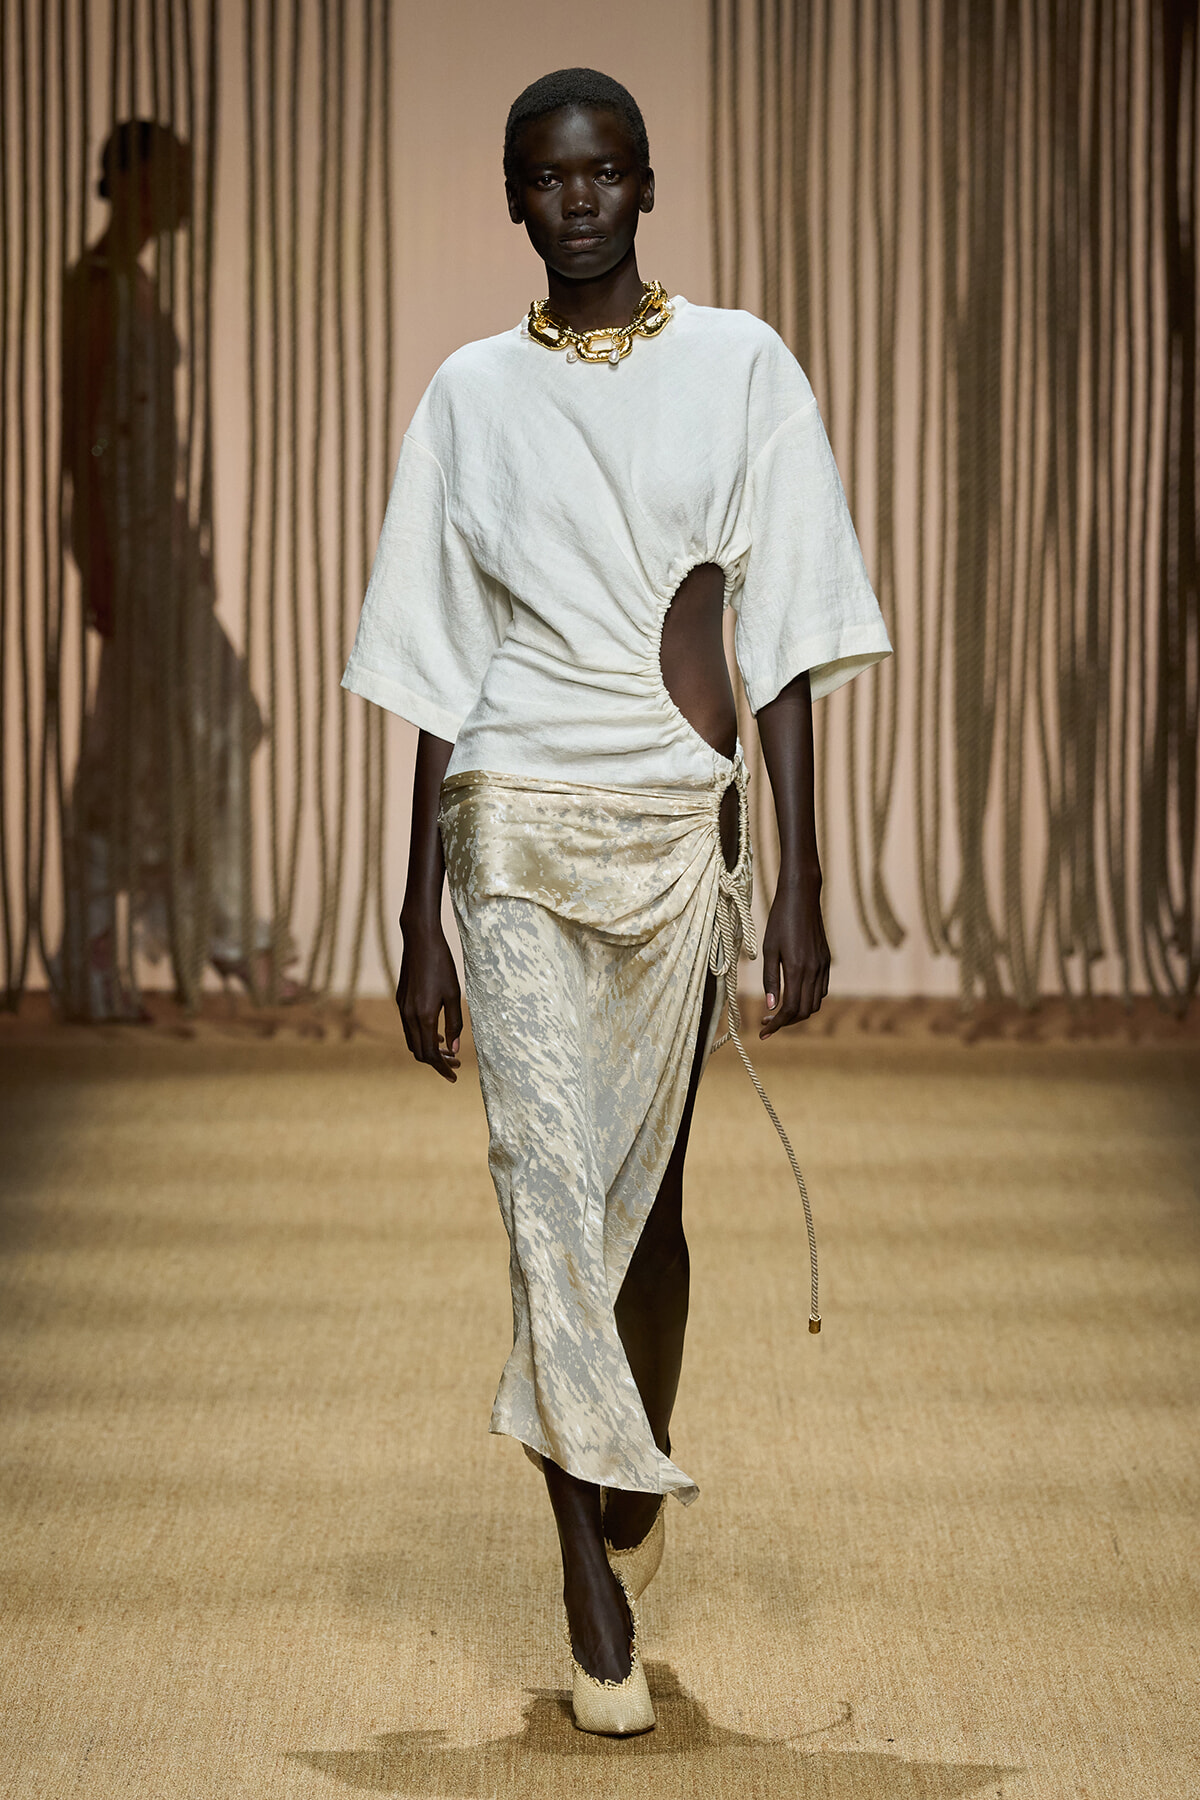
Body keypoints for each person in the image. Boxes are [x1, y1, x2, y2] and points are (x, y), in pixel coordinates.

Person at [343, 68, 891, 1736]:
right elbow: (435, 653)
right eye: (541, 176)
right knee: (542, 1178)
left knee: (642, 1204)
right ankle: (590, 1579)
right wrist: (415, 903)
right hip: (507, 812)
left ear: (645, 183)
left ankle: (619, 1433)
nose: (573, 199)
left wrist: (802, 882)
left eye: (599, 172)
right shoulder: (467, 394)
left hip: (674, 825)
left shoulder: (742, 366)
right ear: (513, 199)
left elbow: (783, 632)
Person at [60, 120, 282, 1019]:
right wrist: (99, 554)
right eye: (181, 174)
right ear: (143, 179)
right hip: (131, 540)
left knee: (205, 725)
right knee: (145, 741)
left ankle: (196, 935)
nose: (193, 189)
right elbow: (84, 433)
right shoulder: (100, 285)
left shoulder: (135, 282)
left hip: (158, 543)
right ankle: (134, 946)